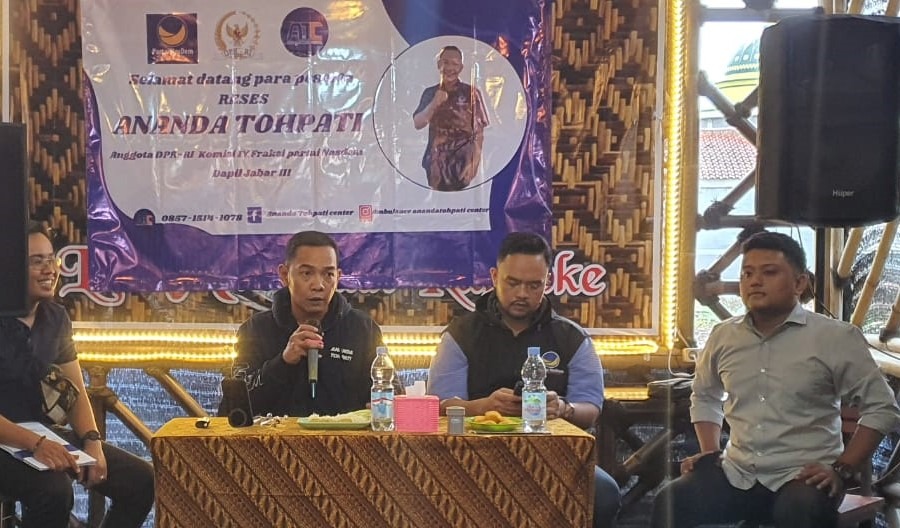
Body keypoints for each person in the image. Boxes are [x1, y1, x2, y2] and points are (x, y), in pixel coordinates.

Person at [651, 231, 900, 528]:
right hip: (738, 473)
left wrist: (842, 468)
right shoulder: (723, 336)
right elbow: (705, 395)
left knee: (799, 510)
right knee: (671, 501)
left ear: (799, 283)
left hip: (804, 477)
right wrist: (709, 452)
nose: (754, 281)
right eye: (747, 273)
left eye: (769, 272)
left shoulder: (835, 337)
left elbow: (882, 408)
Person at [427, 231, 621, 528]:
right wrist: (483, 407)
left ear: (548, 282)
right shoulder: (461, 334)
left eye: (534, 285)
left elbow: (591, 408)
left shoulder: (571, 338)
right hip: (472, 455)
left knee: (605, 495)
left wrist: (563, 409)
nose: (522, 294)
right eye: (513, 283)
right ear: (495, 277)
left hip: (555, 459)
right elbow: (440, 405)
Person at [0, 221, 154, 528]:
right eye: (37, 261)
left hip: (40, 435)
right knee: (54, 491)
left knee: (140, 480)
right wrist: (37, 445)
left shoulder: (55, 317)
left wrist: (91, 441)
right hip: (11, 439)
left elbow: (75, 390)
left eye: (51, 259)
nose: (49, 270)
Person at [220, 230, 387, 417]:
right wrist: (283, 362)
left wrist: (380, 408)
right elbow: (233, 408)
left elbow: (390, 393)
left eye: (328, 274)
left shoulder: (363, 330)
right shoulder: (255, 330)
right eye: (307, 273)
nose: (318, 285)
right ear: (285, 275)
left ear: (338, 277)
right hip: (274, 436)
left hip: (344, 436)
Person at [412, 45, 489, 192]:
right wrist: (434, 103)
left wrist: (473, 164)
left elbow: (480, 133)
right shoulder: (430, 93)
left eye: (455, 64)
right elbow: (418, 123)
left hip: (463, 162)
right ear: (438, 64)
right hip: (436, 162)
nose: (450, 68)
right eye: (446, 62)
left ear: (461, 67)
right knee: (437, 201)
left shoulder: (471, 93)